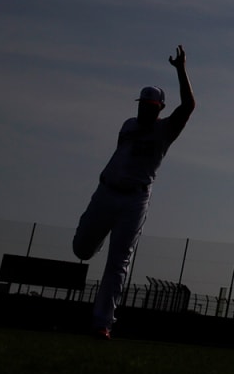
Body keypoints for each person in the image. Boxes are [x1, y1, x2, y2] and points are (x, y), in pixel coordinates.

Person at [72, 45, 196, 339]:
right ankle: (99, 235)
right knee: (81, 250)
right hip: (107, 191)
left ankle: (102, 323)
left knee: (119, 263)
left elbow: (189, 107)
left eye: (151, 107)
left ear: (160, 109)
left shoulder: (165, 130)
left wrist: (181, 70)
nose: (144, 109)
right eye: (142, 104)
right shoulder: (128, 125)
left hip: (135, 199)